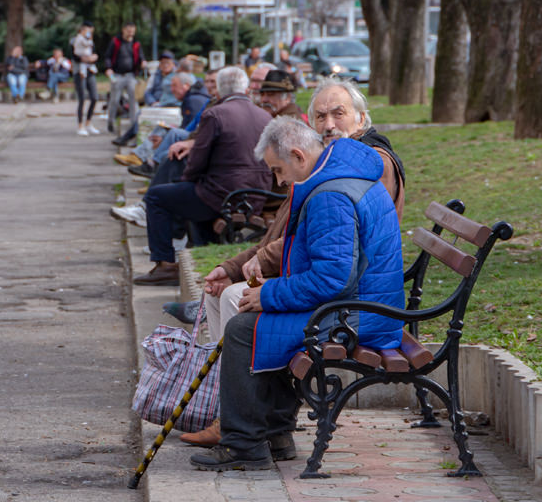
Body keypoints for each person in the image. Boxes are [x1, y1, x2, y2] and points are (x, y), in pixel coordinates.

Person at [174, 75, 407, 449]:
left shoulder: (331, 190)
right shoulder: (337, 171)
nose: (281, 183)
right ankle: (275, 433)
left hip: (361, 312)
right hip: (361, 303)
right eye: (320, 116)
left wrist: (270, 293)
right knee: (257, 321)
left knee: (244, 329)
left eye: (279, 172)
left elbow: (334, 278)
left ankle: (244, 442)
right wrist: (258, 280)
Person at [112, 67, 273, 284]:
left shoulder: (215, 114)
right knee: (186, 196)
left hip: (222, 196)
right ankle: (196, 247)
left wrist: (186, 180)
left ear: (219, 90)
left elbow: (197, 160)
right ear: (245, 88)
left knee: (157, 197)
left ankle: (165, 265)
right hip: (256, 195)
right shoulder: (265, 115)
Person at [104, 23, 143, 133]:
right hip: (117, 75)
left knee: (133, 100)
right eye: (128, 30)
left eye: (132, 31)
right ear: (123, 30)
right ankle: (111, 121)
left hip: (130, 75)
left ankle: (133, 125)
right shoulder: (116, 42)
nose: (130, 32)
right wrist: (108, 68)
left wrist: (142, 63)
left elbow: (140, 57)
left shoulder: (136, 44)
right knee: (114, 100)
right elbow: (107, 56)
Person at [71, 21, 99, 135]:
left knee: (94, 97)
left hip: (90, 70)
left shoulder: (90, 41)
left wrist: (93, 58)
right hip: (79, 72)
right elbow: (74, 56)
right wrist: (86, 59)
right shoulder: (75, 40)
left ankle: (88, 122)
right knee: (82, 98)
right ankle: (80, 125)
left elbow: (94, 53)